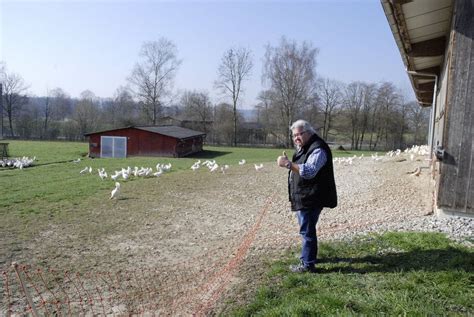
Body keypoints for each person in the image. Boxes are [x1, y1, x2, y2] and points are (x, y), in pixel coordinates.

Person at [277, 119, 337, 273]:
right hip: (305, 195)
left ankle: (308, 264)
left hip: (311, 197)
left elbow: (309, 171)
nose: (296, 138)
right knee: (307, 229)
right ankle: (310, 256)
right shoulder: (304, 147)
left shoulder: (318, 149)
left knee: (307, 231)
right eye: (294, 136)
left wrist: (288, 164)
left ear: (309, 132)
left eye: (299, 134)